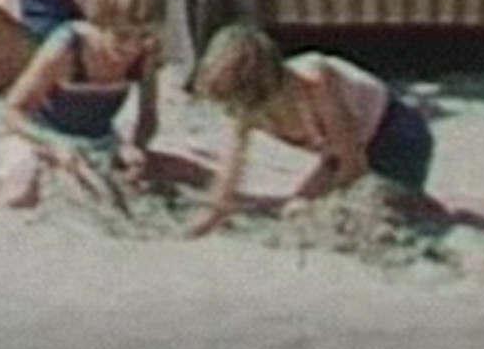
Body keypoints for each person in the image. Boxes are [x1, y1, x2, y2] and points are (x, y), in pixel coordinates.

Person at [186, 24, 437, 238]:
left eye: (236, 104)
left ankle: (419, 205)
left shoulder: (315, 82)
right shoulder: (246, 106)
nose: (233, 113)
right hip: (341, 151)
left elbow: (353, 163)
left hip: (397, 134)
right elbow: (232, 169)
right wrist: (212, 215)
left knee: (379, 219)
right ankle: (413, 202)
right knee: (297, 212)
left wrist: (317, 204)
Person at [0, 0, 164, 209]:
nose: (132, 46)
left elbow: (148, 115)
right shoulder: (68, 46)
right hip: (41, 137)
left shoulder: (146, 51)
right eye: (122, 35)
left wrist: (135, 148)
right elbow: (12, 111)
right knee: (21, 196)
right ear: (100, 23)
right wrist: (53, 146)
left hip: (99, 140)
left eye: (143, 35)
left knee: (197, 176)